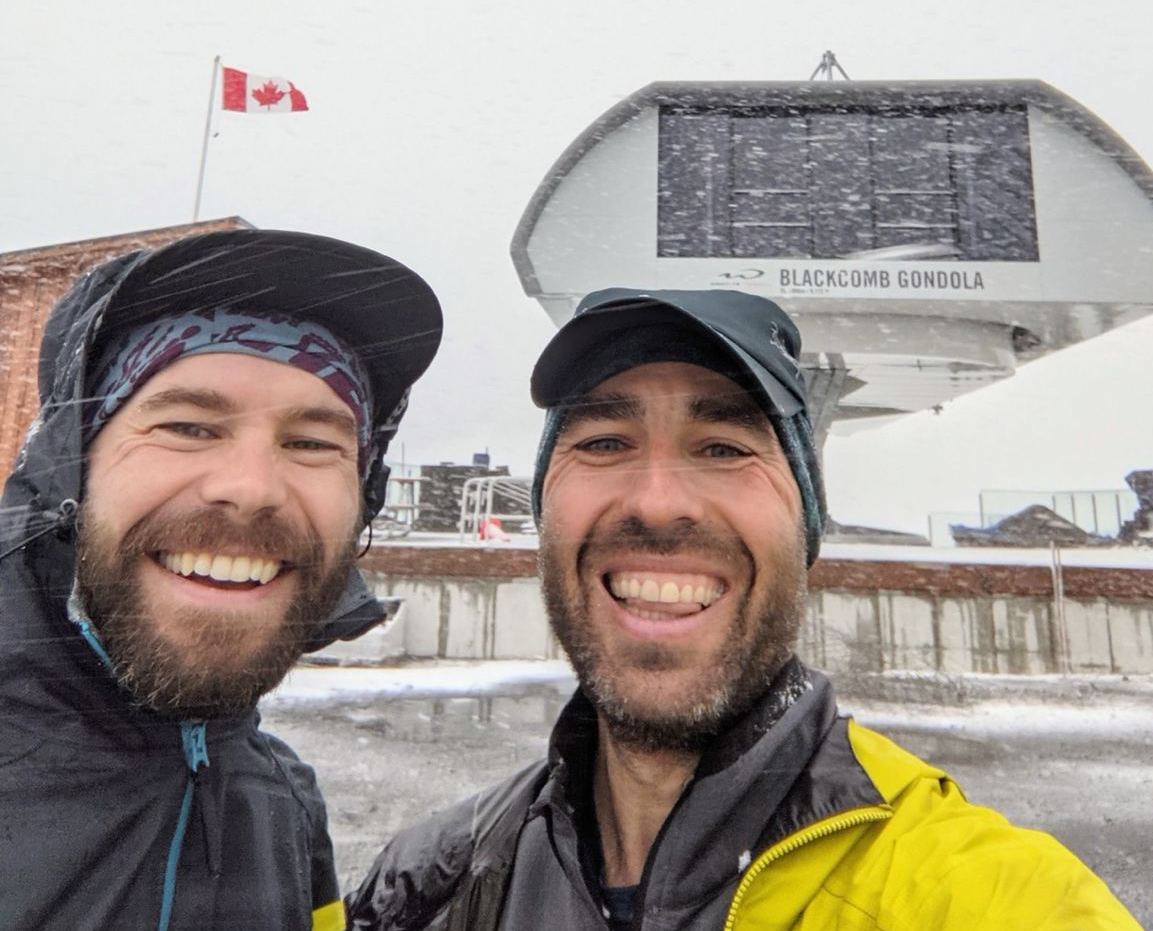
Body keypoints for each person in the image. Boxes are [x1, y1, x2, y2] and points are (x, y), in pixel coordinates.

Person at [345, 288, 1139, 930]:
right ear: (543, 511)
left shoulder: (980, 897)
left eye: (724, 447)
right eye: (603, 441)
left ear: (805, 526)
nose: (656, 502)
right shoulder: (426, 889)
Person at [0, 229, 442, 931]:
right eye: (188, 426)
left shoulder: (287, 803)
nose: (251, 487)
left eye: (311, 443)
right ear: (71, 469)